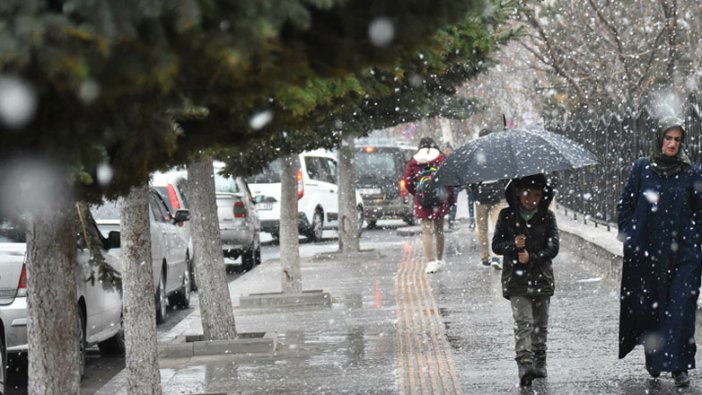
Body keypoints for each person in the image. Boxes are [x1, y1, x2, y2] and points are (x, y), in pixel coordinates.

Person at [617, 116, 702, 388]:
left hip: (684, 253)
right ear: (660, 139)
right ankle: (655, 356)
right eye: (668, 138)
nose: (673, 144)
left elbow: (699, 211)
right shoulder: (643, 168)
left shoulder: (691, 172)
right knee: (653, 306)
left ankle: (679, 365)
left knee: (682, 308)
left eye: (677, 139)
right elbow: (626, 203)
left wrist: (696, 243)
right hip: (649, 252)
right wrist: (630, 236)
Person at [492, 173, 559, 387]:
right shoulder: (507, 216)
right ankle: (524, 363)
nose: (531, 200)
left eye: (537, 195)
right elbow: (496, 245)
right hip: (516, 280)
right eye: (527, 194)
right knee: (524, 323)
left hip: (541, 278)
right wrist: (513, 244)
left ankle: (540, 360)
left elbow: (553, 247)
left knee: (540, 323)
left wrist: (533, 256)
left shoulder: (547, 217)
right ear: (518, 193)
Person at [404, 137, 455, 273]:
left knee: (426, 232)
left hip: (423, 201)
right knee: (439, 231)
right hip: (439, 199)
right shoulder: (440, 159)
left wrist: (417, 194)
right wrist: (449, 198)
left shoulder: (414, 162)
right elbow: (448, 180)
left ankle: (430, 262)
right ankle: (439, 259)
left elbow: (408, 182)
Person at [442, 142, 457, 229]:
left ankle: (451, 219)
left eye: (449, 150)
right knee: (447, 202)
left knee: (454, 203)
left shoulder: (454, 159)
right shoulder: (442, 160)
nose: (448, 152)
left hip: (453, 184)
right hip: (446, 185)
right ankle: (449, 218)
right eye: (446, 150)